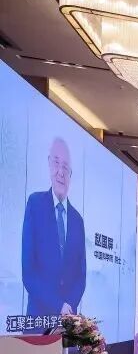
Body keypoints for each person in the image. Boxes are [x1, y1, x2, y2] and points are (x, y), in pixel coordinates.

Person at [22, 137, 87, 321]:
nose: (60, 172)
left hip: (68, 322)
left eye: (65, 167)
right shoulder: (35, 204)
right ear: (49, 164)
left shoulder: (77, 220)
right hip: (38, 321)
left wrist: (69, 307)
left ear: (71, 174)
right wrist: (59, 306)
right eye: (56, 163)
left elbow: (81, 276)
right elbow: (28, 272)